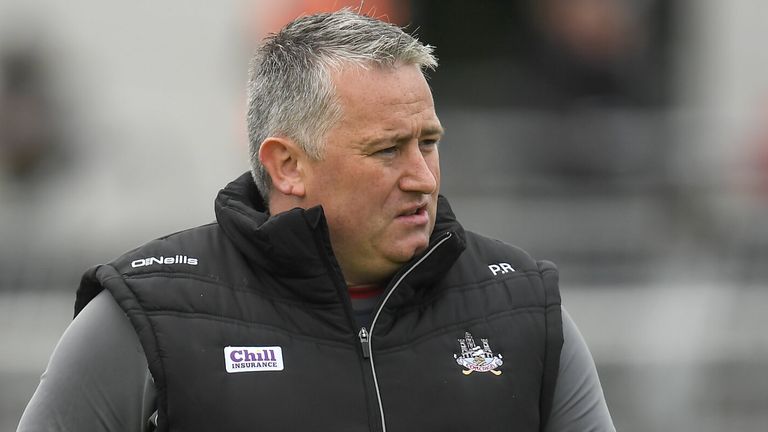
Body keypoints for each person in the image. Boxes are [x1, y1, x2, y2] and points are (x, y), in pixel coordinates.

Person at [17, 9, 615, 432]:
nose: (423, 177)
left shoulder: (523, 310)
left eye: (428, 143)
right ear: (288, 166)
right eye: (387, 150)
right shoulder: (145, 318)